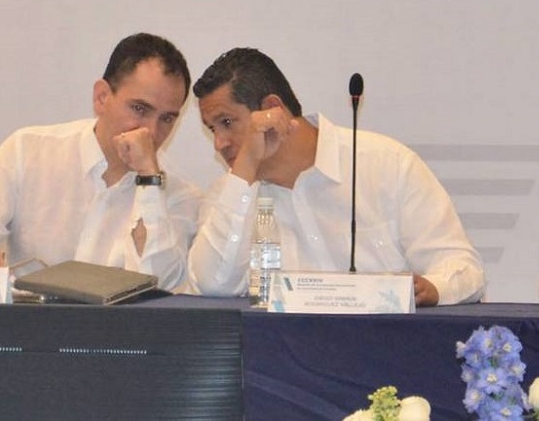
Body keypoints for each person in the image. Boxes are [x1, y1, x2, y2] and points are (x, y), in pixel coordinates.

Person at [187, 47, 485, 306]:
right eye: (212, 129)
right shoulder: (229, 195)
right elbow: (213, 285)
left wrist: (432, 288)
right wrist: (247, 165)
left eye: (227, 122)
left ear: (272, 110)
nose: (219, 143)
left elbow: (464, 270)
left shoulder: (386, 164)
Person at [0, 33, 201, 291]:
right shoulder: (28, 150)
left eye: (167, 119)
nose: (151, 132)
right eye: (140, 109)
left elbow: (158, 283)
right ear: (102, 97)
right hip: (28, 320)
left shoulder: (179, 194)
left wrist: (149, 180)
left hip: (116, 324)